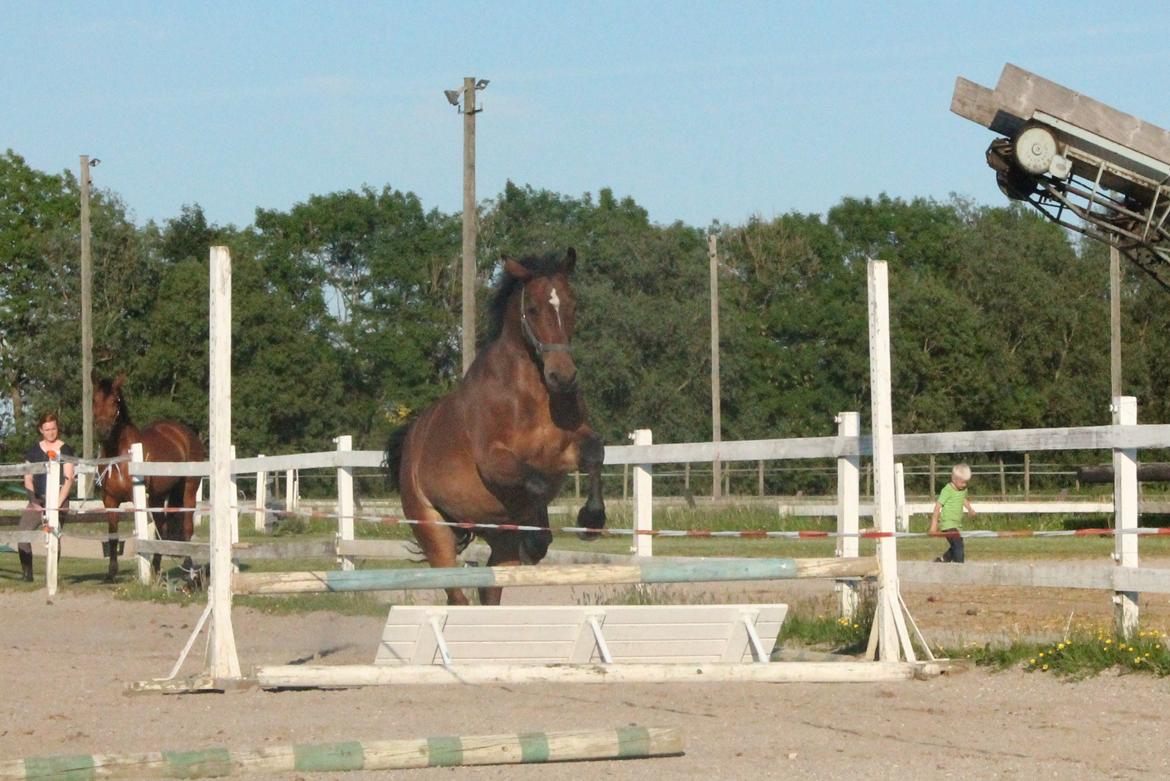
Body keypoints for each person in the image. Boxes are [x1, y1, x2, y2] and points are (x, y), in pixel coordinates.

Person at [17, 413, 76, 581]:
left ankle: (52, 574)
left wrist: (57, 504)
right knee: (23, 532)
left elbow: (68, 478)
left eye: (54, 429)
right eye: (47, 429)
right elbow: (27, 477)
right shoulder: (34, 451)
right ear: (41, 430)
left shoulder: (66, 449)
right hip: (38, 498)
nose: (51, 432)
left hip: (58, 499)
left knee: (53, 534)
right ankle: (27, 573)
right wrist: (34, 502)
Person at [929, 463, 975, 563]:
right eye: (962, 482)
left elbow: (963, 499)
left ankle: (942, 560)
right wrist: (934, 525)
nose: (965, 485)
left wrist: (970, 509)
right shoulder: (947, 490)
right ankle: (959, 568)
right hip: (948, 523)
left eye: (966, 482)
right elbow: (937, 507)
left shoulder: (963, 489)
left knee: (957, 545)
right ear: (954, 479)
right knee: (958, 545)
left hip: (957, 524)